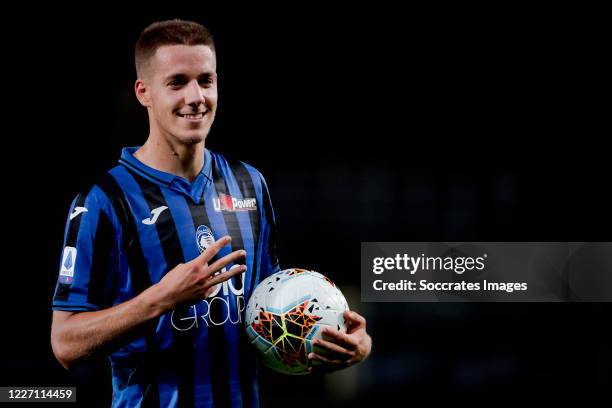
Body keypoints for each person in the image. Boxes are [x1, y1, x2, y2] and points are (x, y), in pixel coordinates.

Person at [50, 19, 371, 407]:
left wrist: (343, 340)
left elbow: (265, 319)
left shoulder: (250, 184)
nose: (196, 96)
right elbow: (65, 344)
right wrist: (162, 298)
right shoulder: (105, 200)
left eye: (205, 80)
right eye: (177, 82)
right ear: (144, 92)